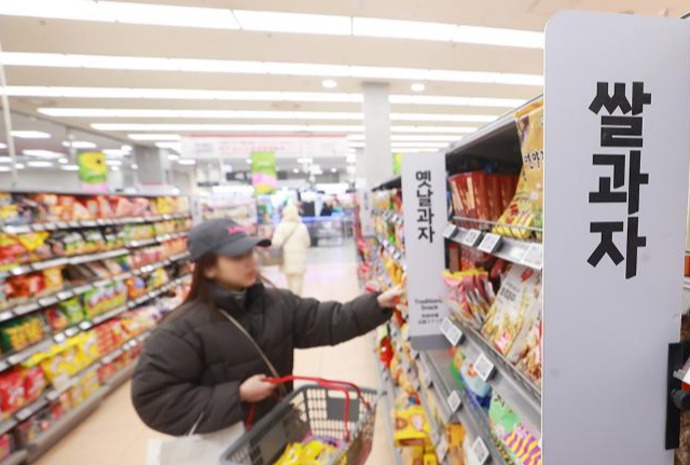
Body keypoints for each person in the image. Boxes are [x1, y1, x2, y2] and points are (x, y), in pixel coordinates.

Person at [131, 218, 401, 437]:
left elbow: (330, 320)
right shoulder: (182, 329)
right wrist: (237, 395)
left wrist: (377, 305)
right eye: (237, 256)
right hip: (226, 444)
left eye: (250, 252)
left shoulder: (276, 303)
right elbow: (152, 398)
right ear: (209, 269)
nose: (251, 261)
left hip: (279, 430)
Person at [272, 204, 311, 295]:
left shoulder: (281, 227)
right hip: (300, 259)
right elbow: (307, 243)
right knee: (298, 282)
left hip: (286, 259)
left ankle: (292, 302)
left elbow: (276, 243)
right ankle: (298, 300)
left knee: (289, 281)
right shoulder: (302, 227)